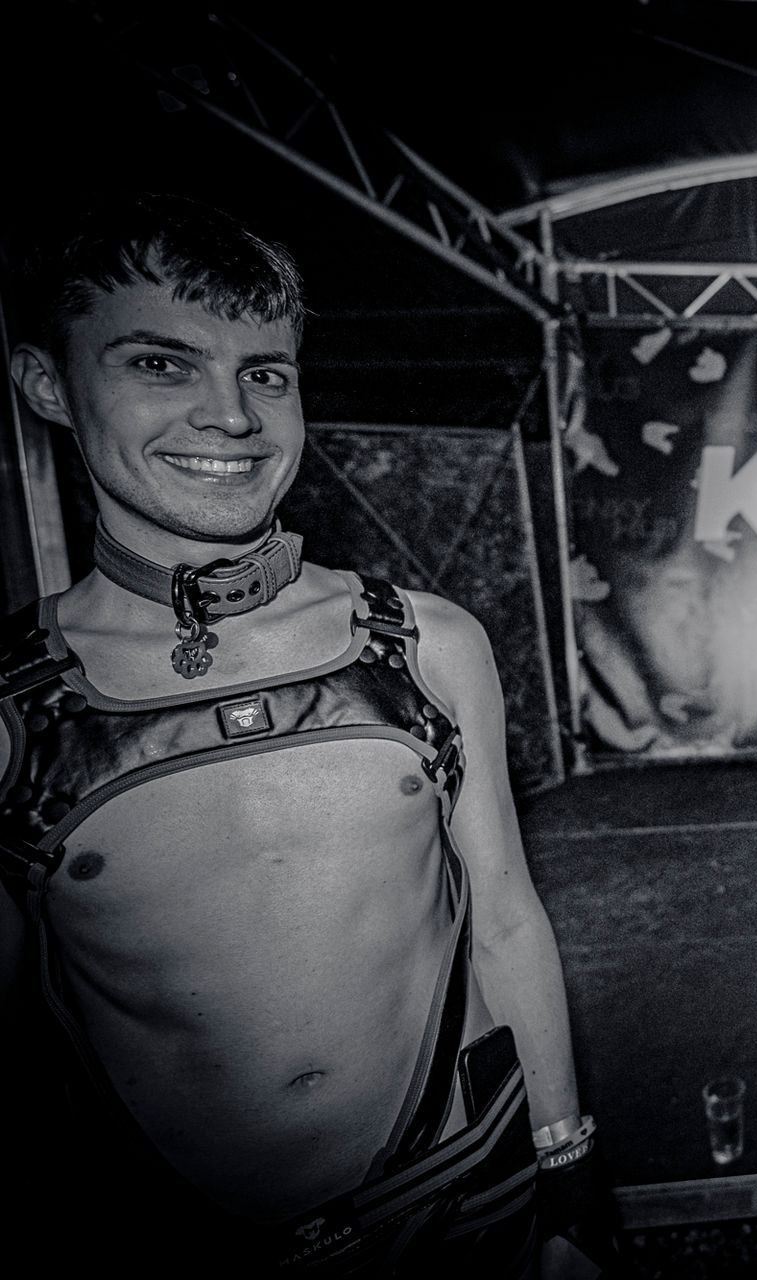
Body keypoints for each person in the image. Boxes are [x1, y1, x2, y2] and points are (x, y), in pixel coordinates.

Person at [1, 194, 614, 1275]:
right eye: (161, 364)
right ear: (47, 383)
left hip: (469, 1194)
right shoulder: (11, 709)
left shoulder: (424, 642)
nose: (230, 415)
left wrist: (569, 1186)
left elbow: (507, 918)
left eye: (266, 373)